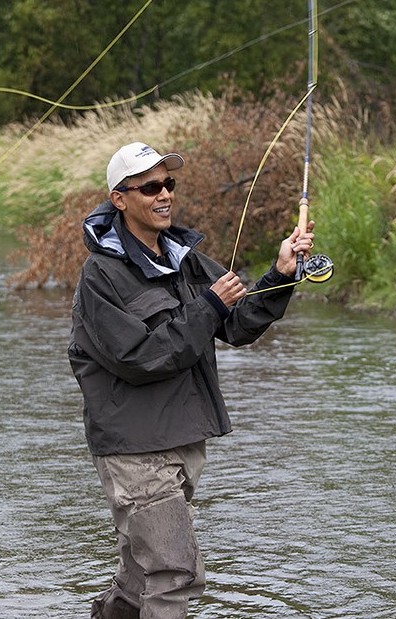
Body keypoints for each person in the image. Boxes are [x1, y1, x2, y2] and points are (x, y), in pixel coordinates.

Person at [68, 142, 316, 619]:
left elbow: (238, 325)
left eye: (169, 184)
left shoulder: (184, 258)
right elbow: (138, 357)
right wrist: (209, 306)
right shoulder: (101, 276)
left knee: (141, 576)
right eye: (150, 187)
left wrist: (281, 272)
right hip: (134, 446)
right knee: (175, 572)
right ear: (120, 198)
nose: (164, 196)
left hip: (182, 439)